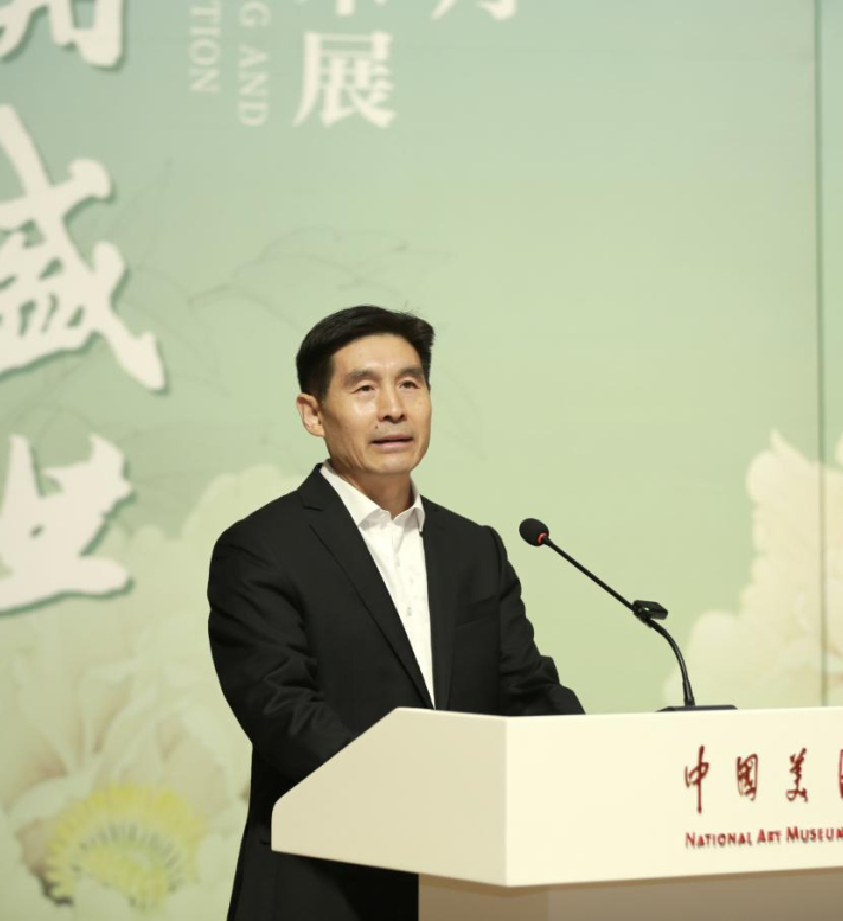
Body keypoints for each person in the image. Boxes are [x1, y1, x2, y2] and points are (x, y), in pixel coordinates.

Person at [208, 305, 583, 921]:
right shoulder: (262, 549)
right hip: (326, 888)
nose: (393, 408)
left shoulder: (473, 548)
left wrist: (591, 762)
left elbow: (525, 690)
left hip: (469, 888)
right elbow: (284, 713)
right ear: (312, 414)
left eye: (410, 384)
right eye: (364, 388)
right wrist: (429, 804)